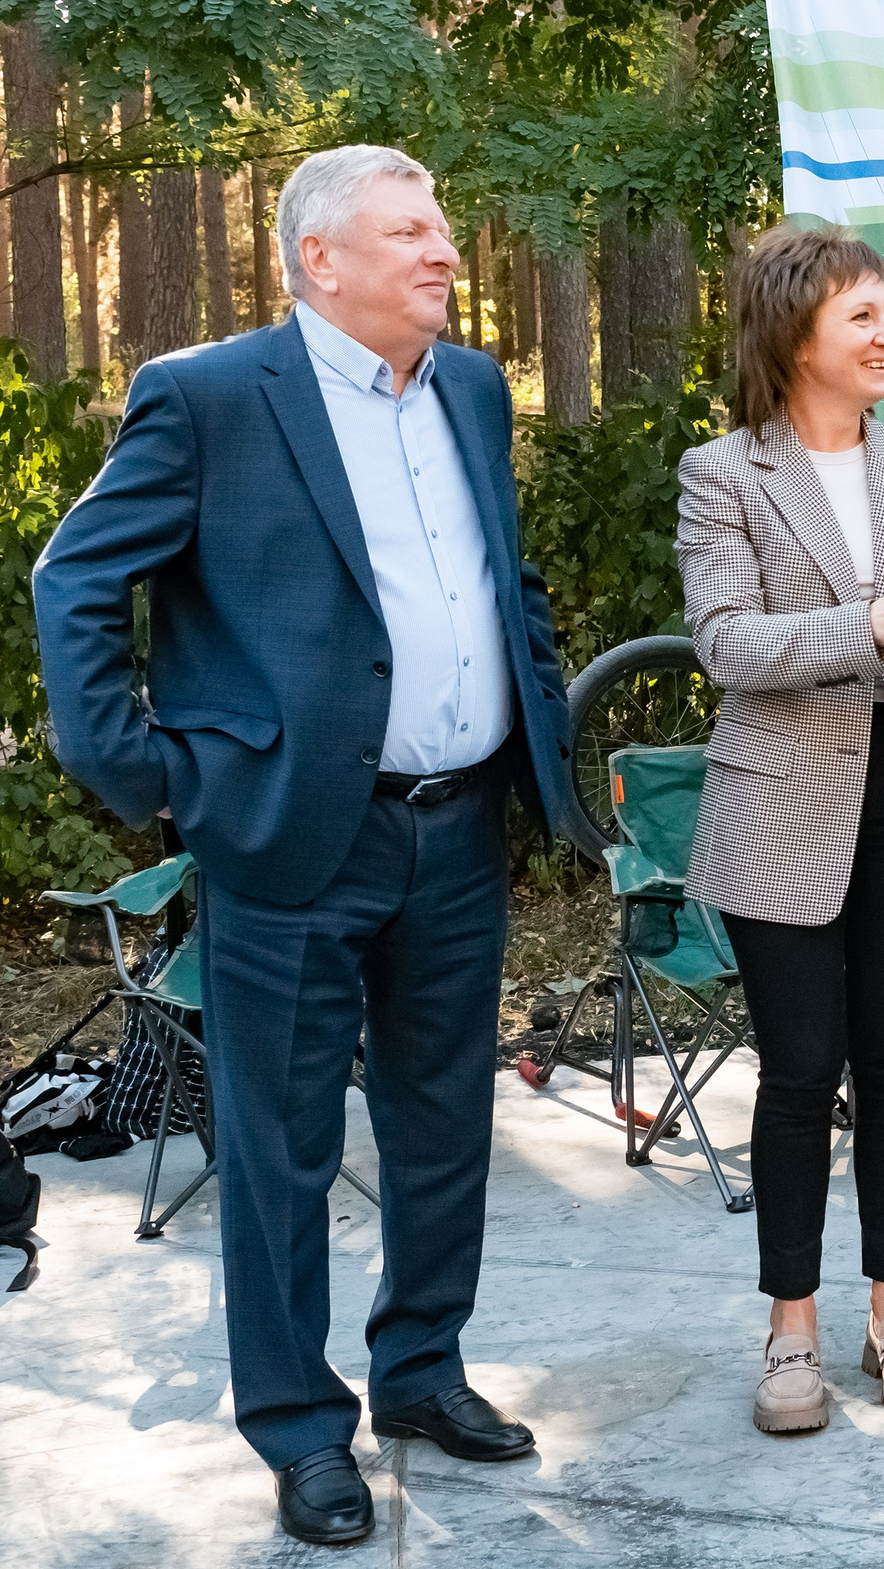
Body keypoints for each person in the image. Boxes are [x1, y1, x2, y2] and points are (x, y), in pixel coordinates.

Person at [32, 145, 573, 1545]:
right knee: (279, 1146)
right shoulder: (211, 398)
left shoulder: (467, 388)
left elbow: (502, 576)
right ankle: (297, 1426)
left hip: (456, 830)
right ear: (319, 259)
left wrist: (540, 711)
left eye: (443, 226)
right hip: (285, 842)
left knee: (445, 1125)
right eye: (410, 232)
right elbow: (77, 577)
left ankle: (421, 1373)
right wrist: (146, 774)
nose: (444, 251)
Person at [675, 223, 884, 1431]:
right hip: (781, 813)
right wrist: (870, 622)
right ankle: (789, 1335)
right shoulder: (725, 472)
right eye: (862, 315)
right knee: (796, 1077)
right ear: (794, 332)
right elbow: (725, 644)